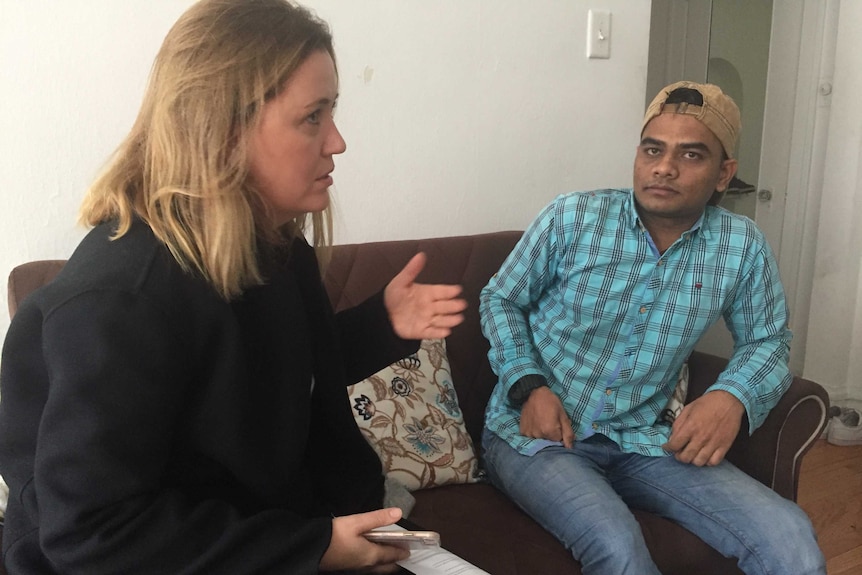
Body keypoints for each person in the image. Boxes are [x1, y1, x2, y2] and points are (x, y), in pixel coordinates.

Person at [0, 1, 467, 573]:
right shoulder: (121, 300)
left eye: (332, 112)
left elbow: (264, 378)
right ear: (224, 129)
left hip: (274, 535)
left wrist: (382, 324)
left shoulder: (273, 245)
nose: (337, 141)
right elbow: (92, 533)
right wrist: (313, 550)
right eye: (312, 117)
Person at [479, 81, 826, 574]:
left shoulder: (740, 246)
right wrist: (528, 387)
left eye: (691, 154)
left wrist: (731, 396)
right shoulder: (573, 218)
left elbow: (768, 340)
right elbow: (501, 298)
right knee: (618, 545)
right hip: (538, 440)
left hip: (647, 441)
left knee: (790, 538)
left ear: (724, 173)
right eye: (652, 149)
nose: (664, 167)